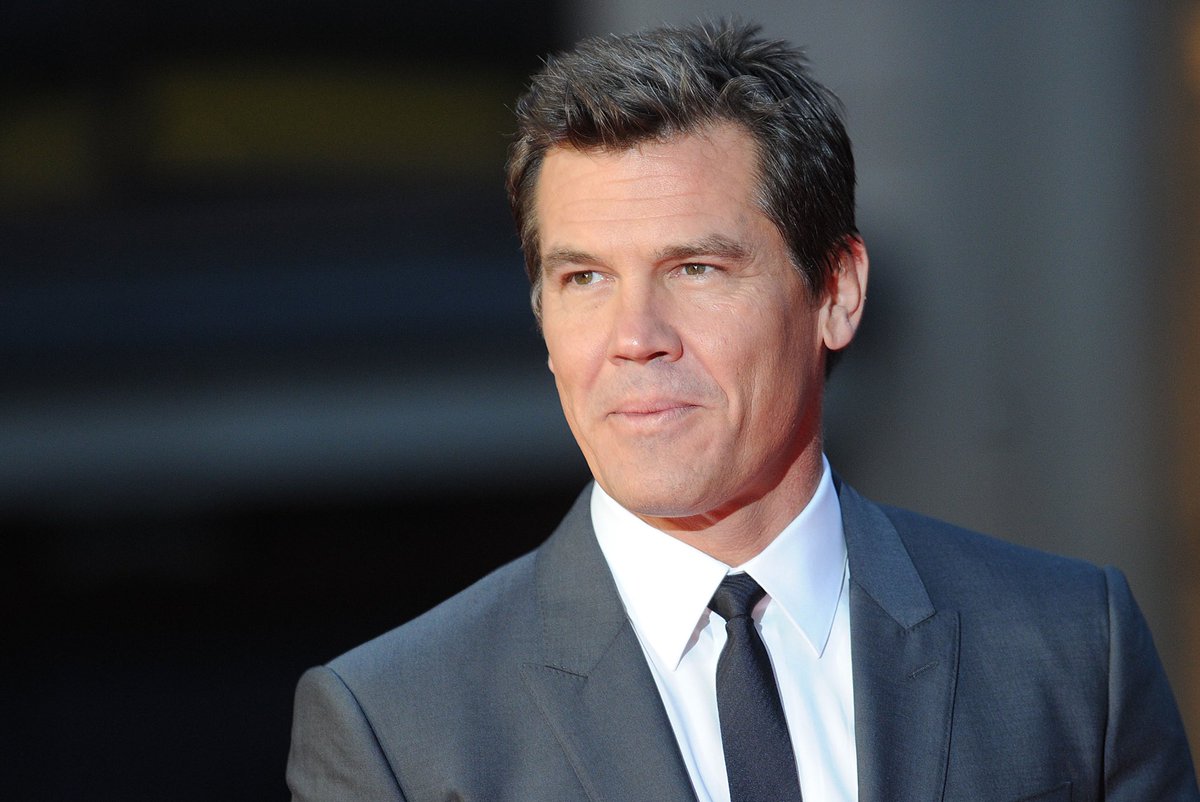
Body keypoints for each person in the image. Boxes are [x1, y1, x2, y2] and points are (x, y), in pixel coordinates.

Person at [286, 21, 1199, 801]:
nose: (634, 337)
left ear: (836, 293)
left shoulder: (1072, 652)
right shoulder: (396, 731)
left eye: (696, 269)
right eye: (585, 278)